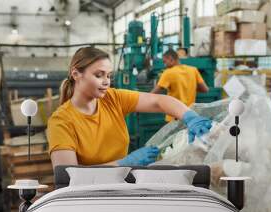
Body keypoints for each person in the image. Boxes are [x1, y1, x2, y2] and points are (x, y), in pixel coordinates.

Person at [47, 47, 212, 168]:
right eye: (99, 75)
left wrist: (190, 117)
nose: (106, 82)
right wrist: (122, 164)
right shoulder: (61, 121)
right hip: (85, 200)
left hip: (121, 188)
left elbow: (158, 101)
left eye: (109, 76)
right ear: (76, 74)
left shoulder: (112, 98)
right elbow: (67, 177)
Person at [151, 49, 209, 122]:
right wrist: (190, 88)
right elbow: (205, 89)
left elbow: (154, 93)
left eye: (165, 62)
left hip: (174, 115)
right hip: (190, 114)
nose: (164, 65)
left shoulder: (168, 73)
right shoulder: (193, 70)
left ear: (171, 59)